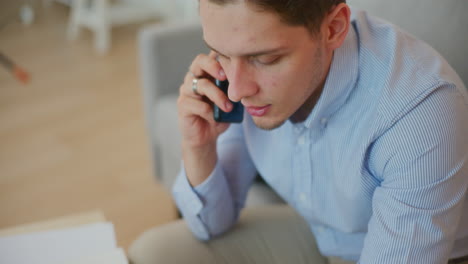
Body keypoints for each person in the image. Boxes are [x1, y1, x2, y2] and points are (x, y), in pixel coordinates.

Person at [129, 0, 468, 263]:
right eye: (221, 53)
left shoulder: (420, 115)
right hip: (323, 234)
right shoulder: (239, 82)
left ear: (333, 28)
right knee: (154, 253)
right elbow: (213, 224)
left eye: (265, 59)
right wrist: (198, 145)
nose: (235, 90)